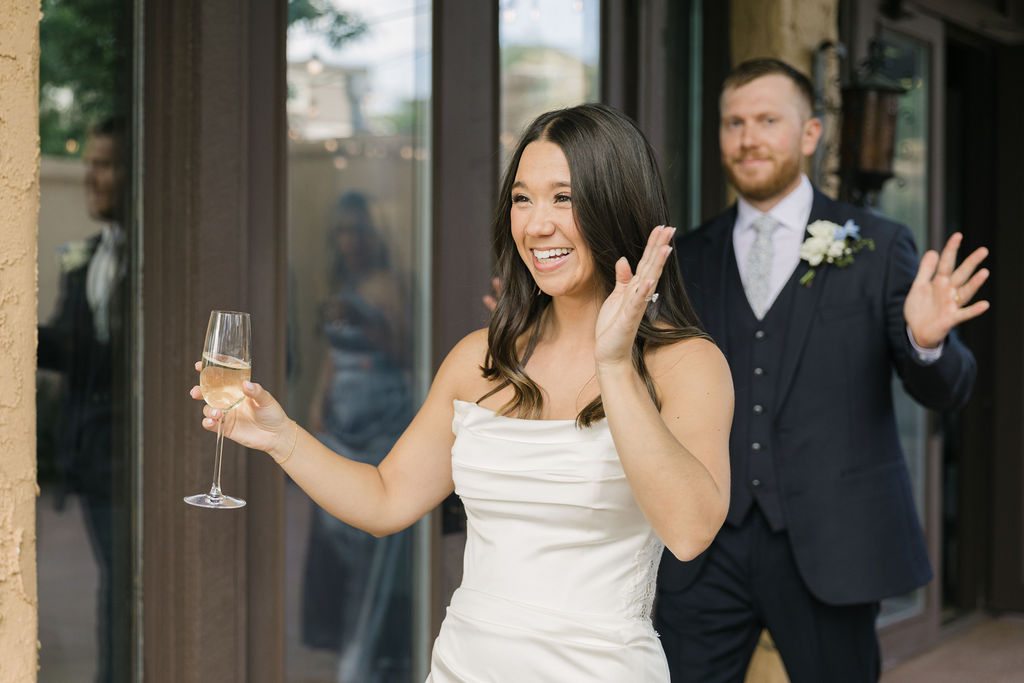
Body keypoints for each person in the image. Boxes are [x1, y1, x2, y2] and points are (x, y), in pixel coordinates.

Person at [191, 103, 734, 681]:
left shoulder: (686, 364)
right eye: (522, 199)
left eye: (563, 198)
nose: (536, 224)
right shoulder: (480, 358)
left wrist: (615, 364)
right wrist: (281, 437)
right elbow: (385, 500)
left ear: (616, 208)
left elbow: (690, 532)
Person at [654, 58, 989, 682]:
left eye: (767, 120)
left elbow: (950, 389)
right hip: (705, 546)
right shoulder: (686, 257)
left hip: (834, 543)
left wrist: (926, 341)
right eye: (734, 122)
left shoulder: (879, 246)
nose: (748, 137)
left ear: (810, 134)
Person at [301, 191, 414, 681]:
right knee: (333, 546)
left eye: (359, 230)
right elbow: (331, 353)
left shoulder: (391, 284)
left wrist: (368, 322)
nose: (351, 240)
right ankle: (344, 640)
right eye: (343, 230)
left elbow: (406, 349)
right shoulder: (339, 281)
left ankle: (364, 656)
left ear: (375, 236)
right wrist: (316, 406)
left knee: (372, 547)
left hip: (380, 421)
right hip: (340, 420)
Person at [38, 117, 129, 683]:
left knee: (125, 588)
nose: (90, 177)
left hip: (133, 460)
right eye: (89, 163)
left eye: (104, 165)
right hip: (91, 462)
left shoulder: (161, 262)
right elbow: (74, 350)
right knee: (115, 584)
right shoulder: (90, 253)